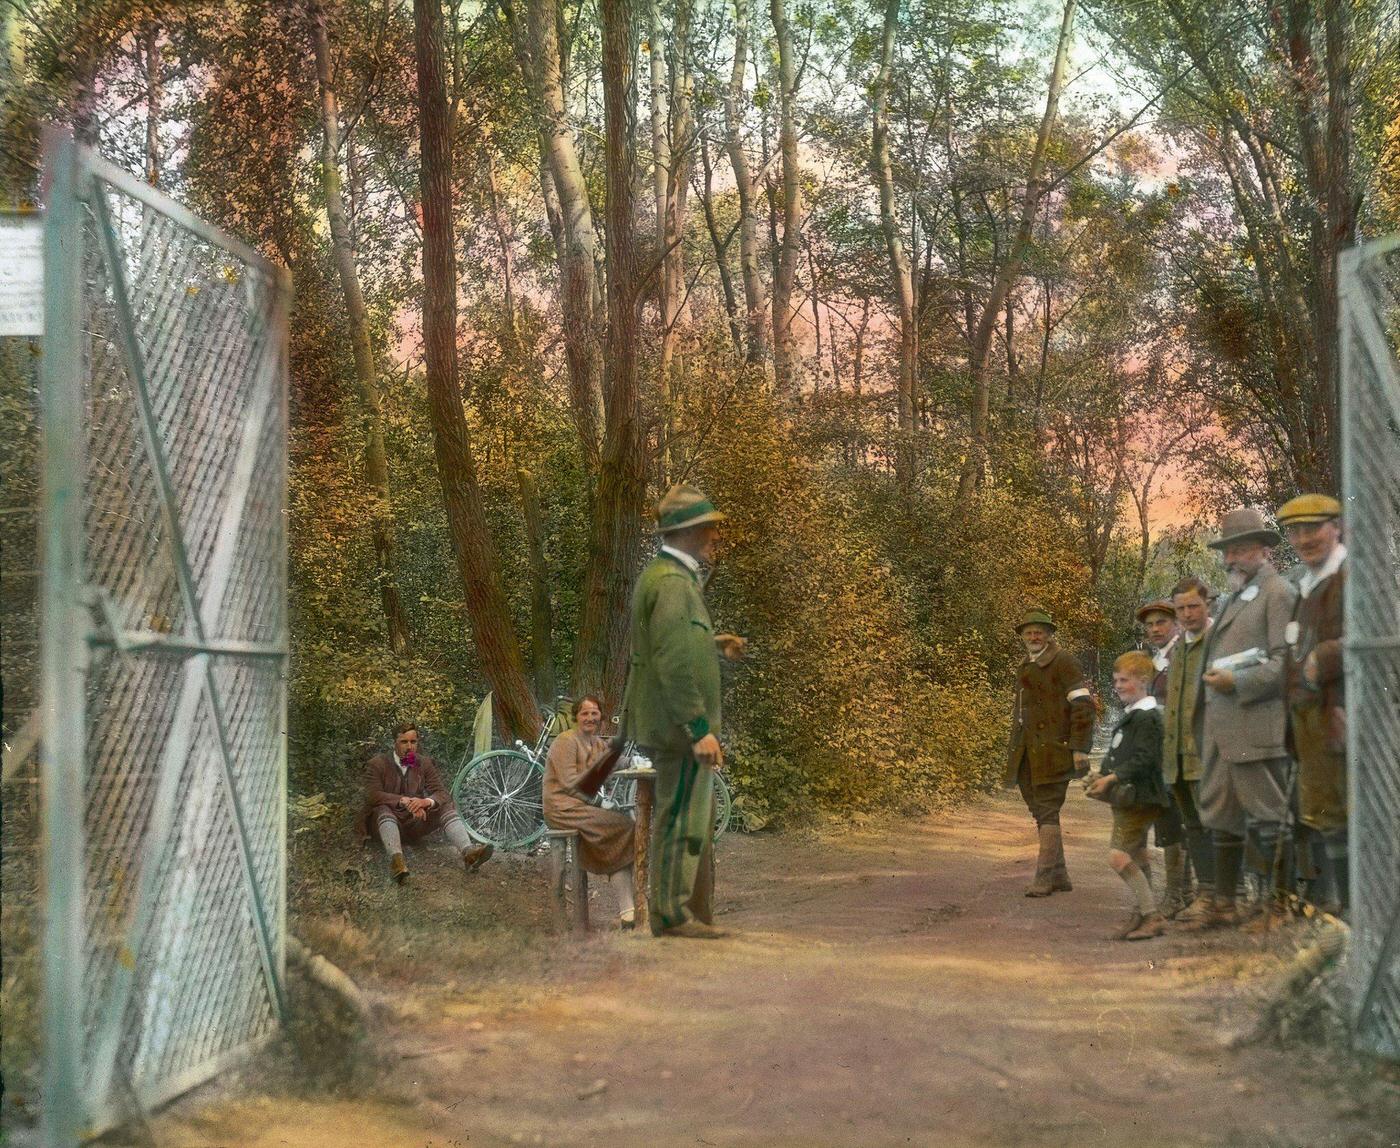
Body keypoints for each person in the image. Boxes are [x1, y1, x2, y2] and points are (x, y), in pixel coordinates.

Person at [624, 484, 744, 939]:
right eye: (709, 529)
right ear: (689, 532)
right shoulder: (672, 584)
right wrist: (698, 728)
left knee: (691, 816)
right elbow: (672, 662)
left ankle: (684, 913)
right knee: (681, 819)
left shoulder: (667, 577)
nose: (715, 536)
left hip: (670, 722)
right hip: (679, 727)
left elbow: (675, 644)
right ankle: (672, 916)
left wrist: (712, 643)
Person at [1185, 508, 1298, 932]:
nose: (1232, 558)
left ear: (1265, 550)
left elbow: (1286, 664)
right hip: (1222, 729)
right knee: (1222, 816)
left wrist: (1237, 680)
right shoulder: (1237, 595)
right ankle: (1224, 904)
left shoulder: (1277, 592)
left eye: (1242, 549)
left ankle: (1281, 908)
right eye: (1228, 551)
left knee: (1270, 817)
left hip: (1255, 725)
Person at [1277, 493, 1349, 915]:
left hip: (1344, 714)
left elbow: (1378, 635)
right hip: (1310, 719)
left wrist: (1326, 656)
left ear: (1336, 528)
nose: (1304, 539)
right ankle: (1344, 915)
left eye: (1313, 529)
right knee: (1327, 816)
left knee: (1353, 814)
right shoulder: (1305, 585)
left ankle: (1363, 917)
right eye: (1296, 531)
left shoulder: (1352, 576)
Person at [1005, 609, 1096, 898]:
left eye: (1039, 632)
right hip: (1026, 751)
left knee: (1046, 809)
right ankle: (1059, 874)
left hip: (1053, 750)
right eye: (1028, 632)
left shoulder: (1064, 661)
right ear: (1022, 636)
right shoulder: (1026, 664)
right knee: (1039, 809)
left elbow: (1084, 706)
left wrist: (1079, 747)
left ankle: (1044, 877)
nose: (1034, 636)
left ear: (1049, 635)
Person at [1087, 652, 1172, 940]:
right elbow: (1121, 753)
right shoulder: (1134, 714)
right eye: (1116, 681)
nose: (1118, 686)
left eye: (1124, 680)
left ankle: (1151, 915)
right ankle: (1141, 913)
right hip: (1130, 798)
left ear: (1144, 681)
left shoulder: (1148, 717)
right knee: (1137, 854)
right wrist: (1101, 775)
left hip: (1140, 797)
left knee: (1118, 857)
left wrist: (1112, 778)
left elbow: (1146, 758)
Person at [543, 694, 638, 927]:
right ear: (576, 716)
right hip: (562, 807)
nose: (590, 718)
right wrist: (598, 802)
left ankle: (629, 912)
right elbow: (569, 783)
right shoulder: (566, 741)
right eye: (584, 713)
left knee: (623, 826)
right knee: (622, 825)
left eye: (594, 713)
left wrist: (633, 761)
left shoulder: (595, 742)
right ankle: (628, 909)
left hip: (581, 807)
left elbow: (612, 761)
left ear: (601, 717)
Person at [356, 723, 492, 884]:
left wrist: (425, 802)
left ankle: (469, 853)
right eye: (404, 742)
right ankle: (396, 861)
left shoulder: (423, 763)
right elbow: (372, 795)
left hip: (413, 823)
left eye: (413, 742)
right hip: (384, 825)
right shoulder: (378, 763)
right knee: (382, 809)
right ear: (394, 742)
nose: (409, 747)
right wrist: (403, 801)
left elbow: (442, 794)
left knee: (445, 806)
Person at [1160, 576, 1217, 925]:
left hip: (1207, 752)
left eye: (1194, 606)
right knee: (1192, 825)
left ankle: (1224, 895)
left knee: (1214, 823)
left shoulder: (1218, 641)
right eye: (1181, 608)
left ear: (1207, 605)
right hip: (1178, 754)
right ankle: (1205, 894)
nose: (1187, 614)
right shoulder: (1179, 647)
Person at [1136, 598, 1187, 916]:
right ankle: (1180, 892)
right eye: (1150, 625)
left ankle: (1179, 894)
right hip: (1159, 751)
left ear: (1176, 624)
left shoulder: (1182, 655)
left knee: (1179, 818)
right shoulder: (1154, 660)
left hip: (1180, 749)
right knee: (1167, 818)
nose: (1155, 629)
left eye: (1161, 623)